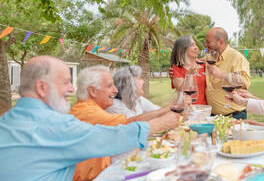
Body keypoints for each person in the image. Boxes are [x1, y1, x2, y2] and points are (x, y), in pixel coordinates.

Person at [0, 56, 180, 181]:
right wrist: (161, 122)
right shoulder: (55, 125)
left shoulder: (6, 121)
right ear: (41, 88)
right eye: (66, 82)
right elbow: (114, 135)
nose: (72, 89)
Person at [70, 65, 178, 180]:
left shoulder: (89, 109)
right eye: (109, 86)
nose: (116, 90)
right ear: (92, 91)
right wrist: (162, 122)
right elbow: (129, 126)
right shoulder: (88, 112)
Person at [205, 27, 251, 118]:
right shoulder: (209, 57)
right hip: (212, 116)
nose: (206, 45)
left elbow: (245, 83)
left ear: (221, 42)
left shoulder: (237, 57)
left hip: (234, 115)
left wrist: (222, 75)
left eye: (208, 42)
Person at [170, 35, 207, 105]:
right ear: (183, 49)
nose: (196, 47)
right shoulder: (177, 69)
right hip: (187, 109)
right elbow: (180, 90)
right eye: (192, 45)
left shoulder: (203, 64)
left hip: (203, 108)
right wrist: (188, 75)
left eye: (195, 44)